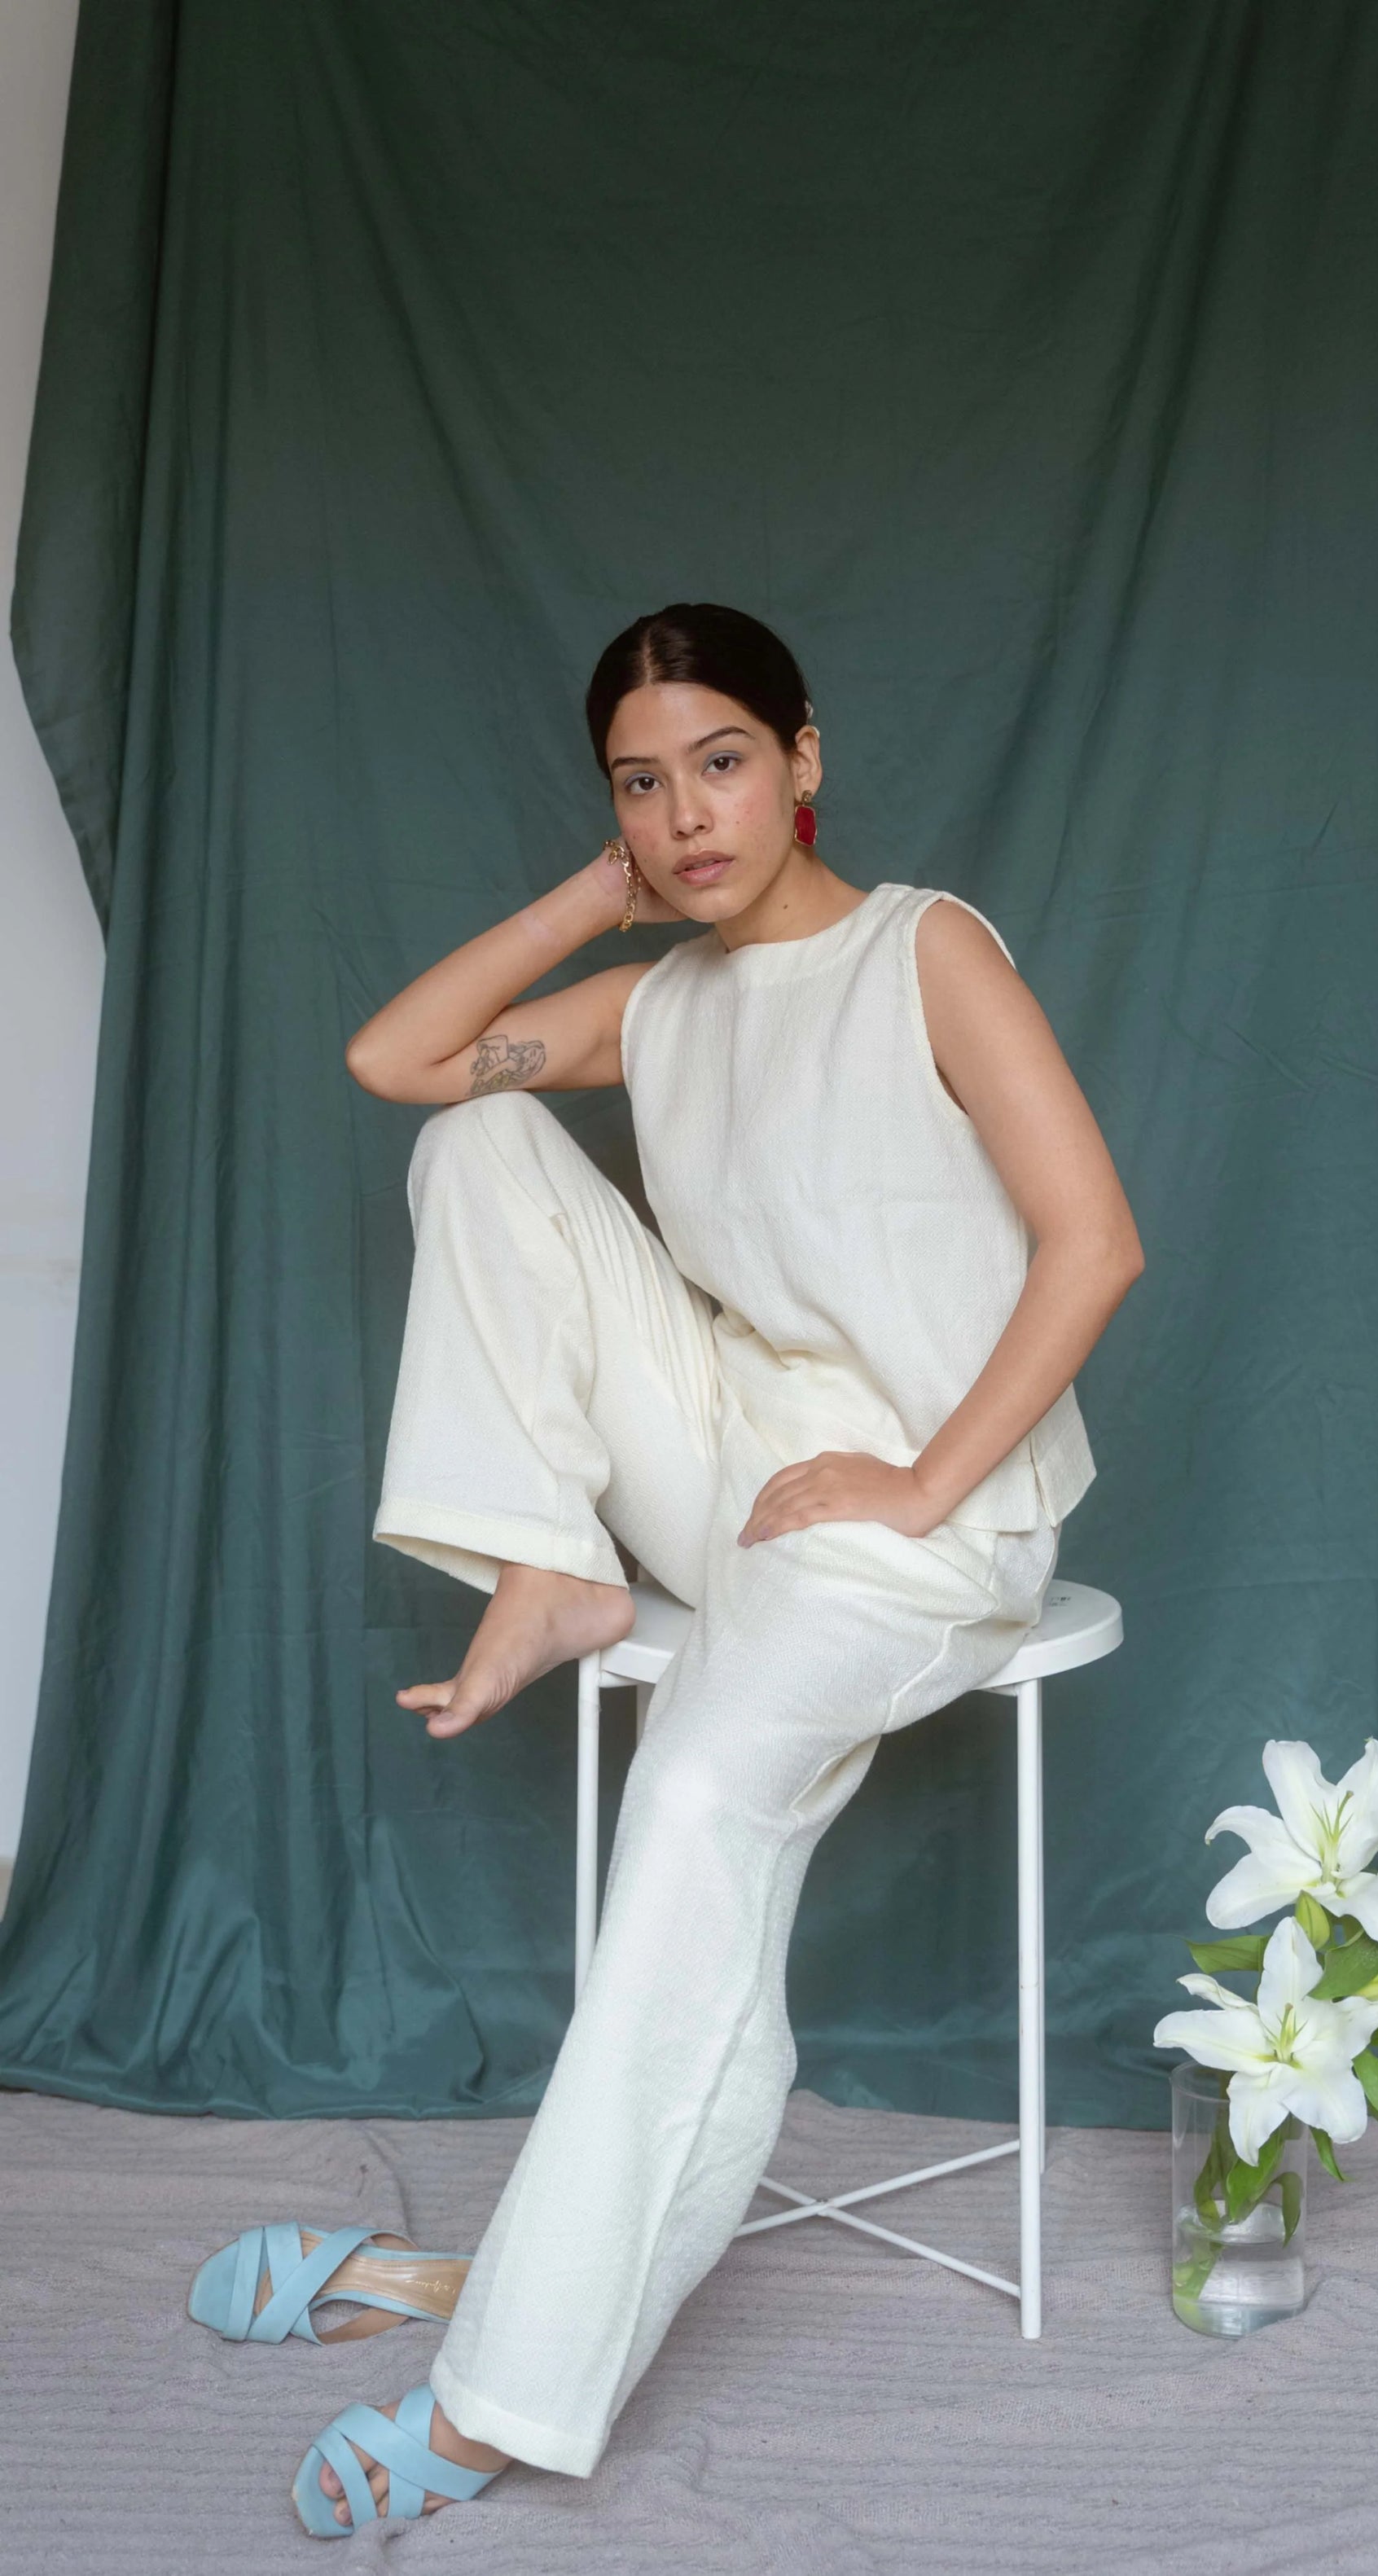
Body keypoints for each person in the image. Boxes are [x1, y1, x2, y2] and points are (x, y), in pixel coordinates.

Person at [212, 601, 1144, 2532]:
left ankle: (501, 2377)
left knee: (702, 1793)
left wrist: (916, 1479)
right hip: (727, 1458)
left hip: (921, 1502)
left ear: (804, 758)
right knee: (478, 1147)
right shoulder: (661, 1000)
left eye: (721, 760)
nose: (689, 811)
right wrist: (603, 896)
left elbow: (1092, 1246)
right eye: (644, 782)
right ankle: (551, 1565)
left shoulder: (928, 949)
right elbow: (400, 1059)